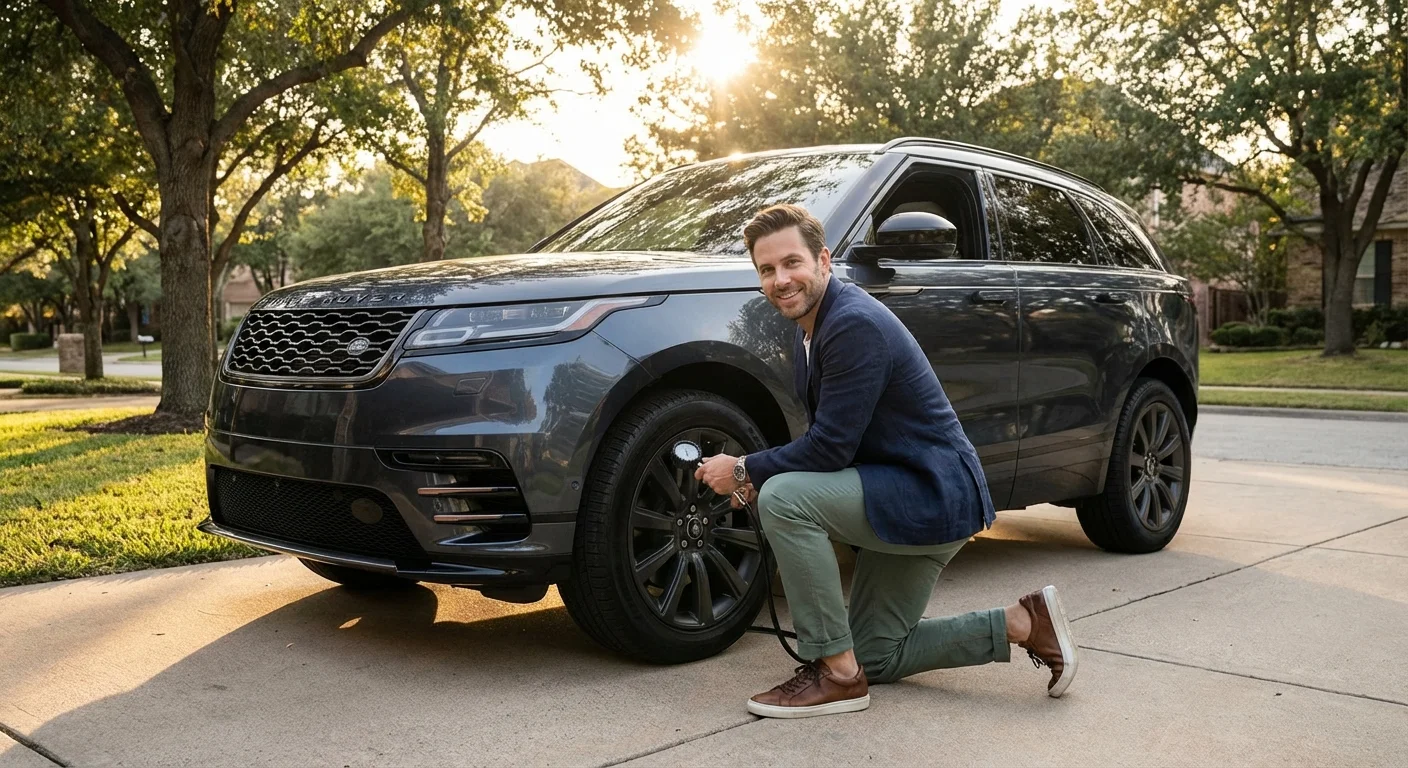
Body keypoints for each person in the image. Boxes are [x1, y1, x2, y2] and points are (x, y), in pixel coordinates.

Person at [695, 203, 1078, 719]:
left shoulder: (852, 324)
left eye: (792, 263)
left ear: (823, 260)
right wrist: (763, 472)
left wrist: (745, 469)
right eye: (767, 269)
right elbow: (835, 437)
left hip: (928, 493)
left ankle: (835, 674)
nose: (780, 279)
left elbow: (830, 447)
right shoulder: (811, 326)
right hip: (899, 492)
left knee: (783, 498)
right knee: (876, 654)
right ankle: (1023, 623)